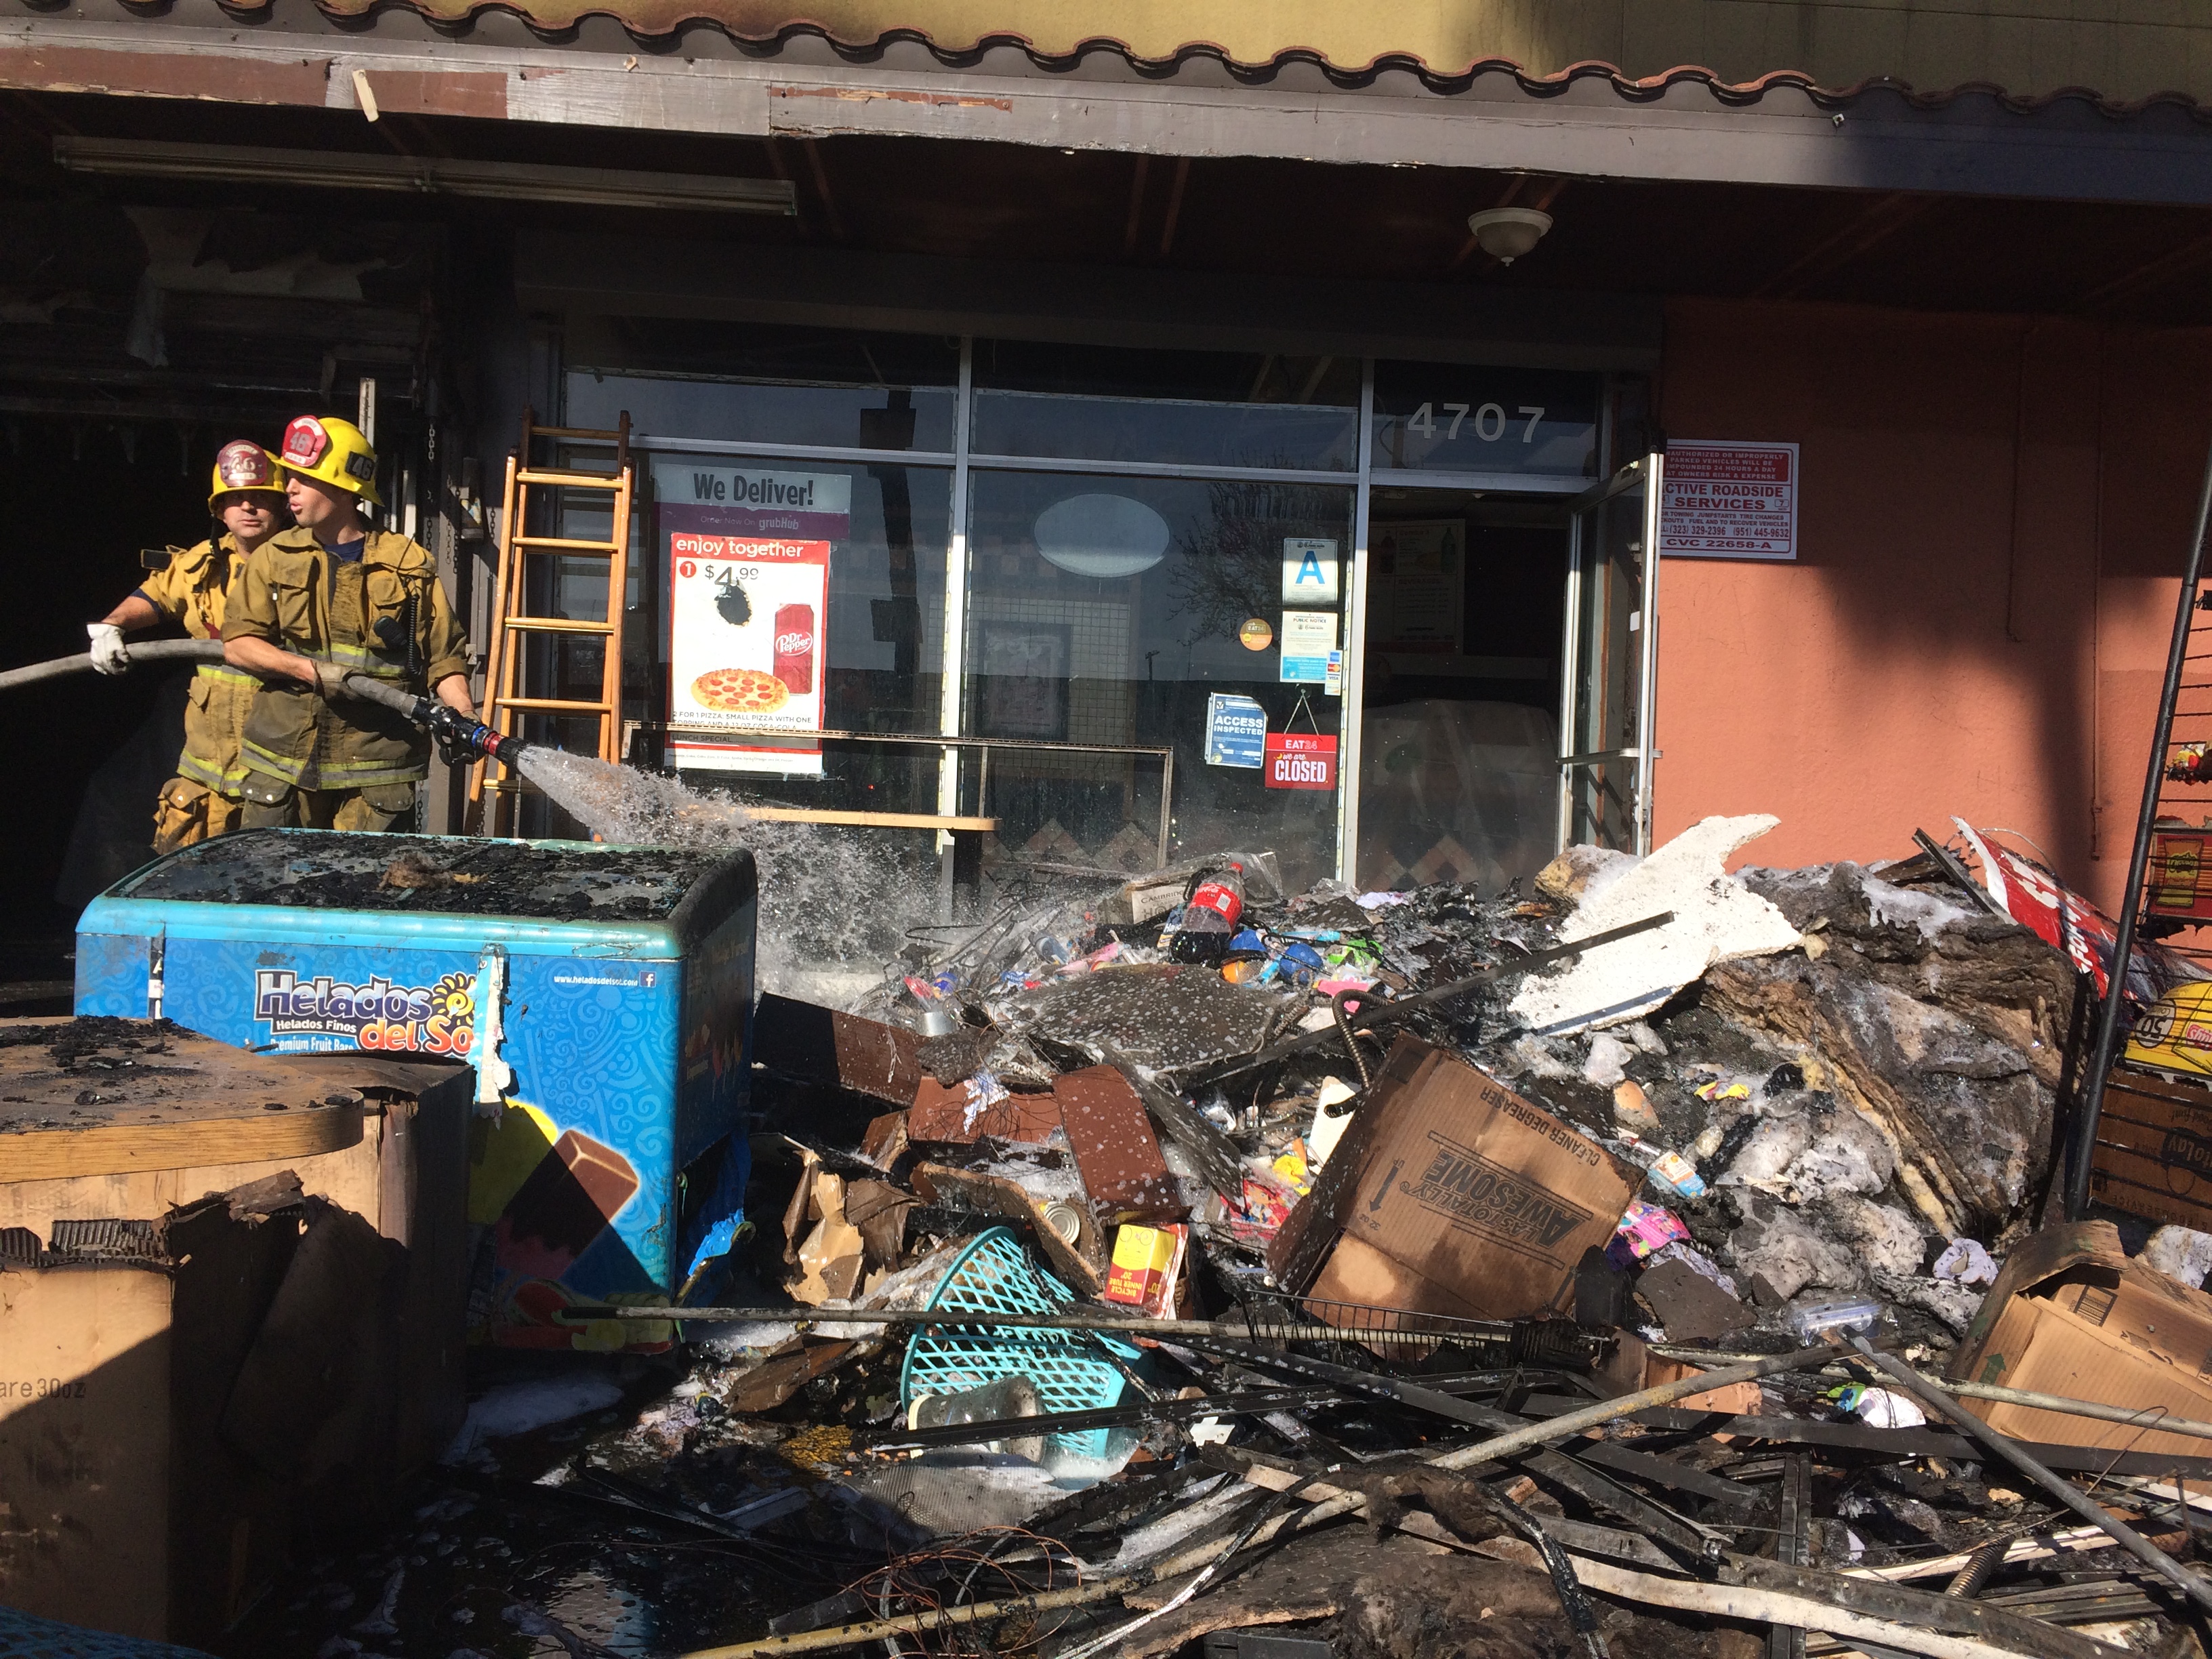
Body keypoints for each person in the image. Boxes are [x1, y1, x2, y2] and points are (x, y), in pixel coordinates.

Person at [224, 413, 475, 832]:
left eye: (303, 478)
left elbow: (444, 658)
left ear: (344, 486)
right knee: (270, 888)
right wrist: (310, 672)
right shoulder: (274, 557)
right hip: (284, 764)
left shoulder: (408, 564)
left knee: (363, 893)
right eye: (289, 477)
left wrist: (462, 713)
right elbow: (238, 644)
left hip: (377, 769)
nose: (289, 489)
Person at [87, 439, 290, 853]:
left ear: (283, 505)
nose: (248, 508)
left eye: (260, 499)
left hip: (279, 763)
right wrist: (111, 627)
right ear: (219, 510)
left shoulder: (310, 566)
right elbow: (156, 597)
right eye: (236, 499)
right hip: (206, 769)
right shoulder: (200, 565)